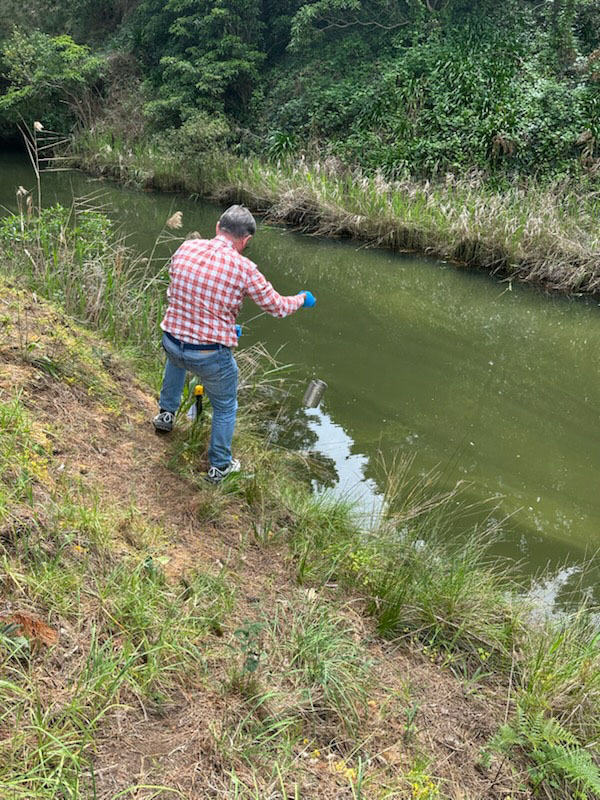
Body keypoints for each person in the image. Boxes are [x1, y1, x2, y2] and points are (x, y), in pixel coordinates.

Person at [153, 204, 316, 483]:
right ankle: (219, 466)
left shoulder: (186, 248)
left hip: (171, 341)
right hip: (209, 356)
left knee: (177, 360)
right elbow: (277, 307)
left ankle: (165, 416)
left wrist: (224, 326)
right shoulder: (245, 269)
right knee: (225, 405)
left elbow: (179, 292)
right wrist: (302, 298)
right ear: (246, 239)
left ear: (218, 227)